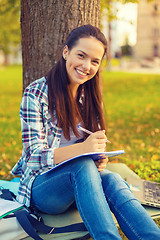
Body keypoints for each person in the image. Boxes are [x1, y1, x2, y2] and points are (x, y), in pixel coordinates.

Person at [11, 24, 160, 240]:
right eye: (81, 55)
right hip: (42, 189)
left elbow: (89, 152)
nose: (86, 66)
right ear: (66, 52)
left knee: (114, 180)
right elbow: (34, 157)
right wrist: (83, 151)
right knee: (81, 166)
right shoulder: (36, 94)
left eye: (95, 61)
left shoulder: (88, 96)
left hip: (82, 182)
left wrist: (98, 157)